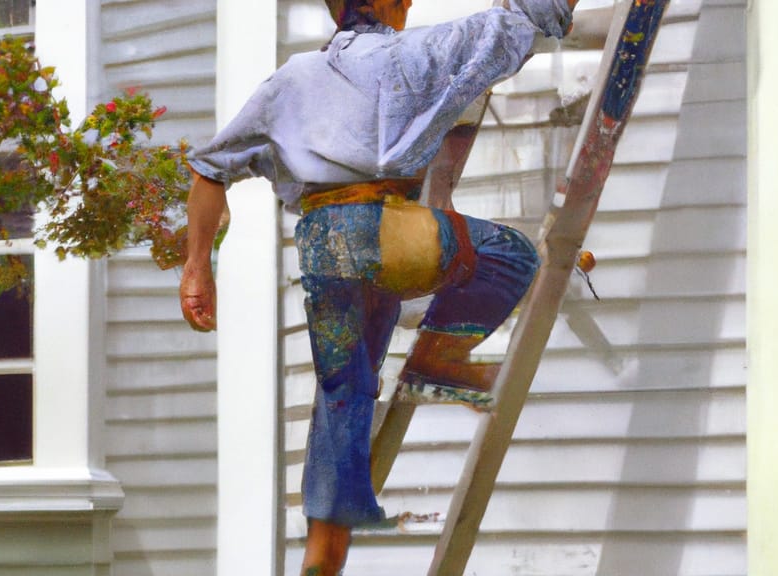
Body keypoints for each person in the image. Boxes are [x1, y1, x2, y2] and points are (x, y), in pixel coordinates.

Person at [179, 0, 576, 573]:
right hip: (386, 232)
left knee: (343, 392)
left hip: (321, 245)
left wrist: (197, 268)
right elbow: (522, 18)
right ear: (394, 3)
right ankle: (441, 359)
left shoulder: (290, 80)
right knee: (508, 255)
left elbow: (210, 169)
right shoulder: (416, 52)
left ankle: (324, 552)